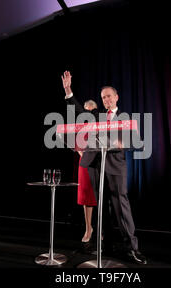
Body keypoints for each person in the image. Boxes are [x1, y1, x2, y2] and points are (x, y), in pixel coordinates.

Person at [61, 70, 147, 264]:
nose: (106, 99)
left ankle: (132, 249)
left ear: (116, 97)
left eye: (109, 96)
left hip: (115, 168)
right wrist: (69, 92)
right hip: (96, 166)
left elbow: (137, 142)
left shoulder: (125, 118)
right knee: (102, 208)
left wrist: (120, 143)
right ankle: (106, 247)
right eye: (103, 97)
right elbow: (79, 113)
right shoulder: (96, 115)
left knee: (121, 208)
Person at [78, 100, 98, 243]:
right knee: (87, 197)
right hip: (85, 163)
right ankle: (88, 228)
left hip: (100, 163)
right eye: (86, 110)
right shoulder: (80, 127)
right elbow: (78, 147)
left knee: (101, 196)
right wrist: (86, 156)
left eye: (91, 111)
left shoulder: (99, 125)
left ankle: (101, 229)